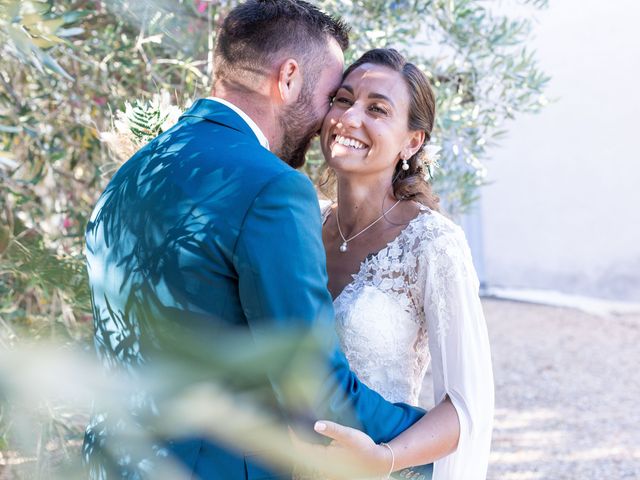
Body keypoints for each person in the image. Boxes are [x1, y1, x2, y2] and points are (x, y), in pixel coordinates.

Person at [82, 2, 432, 479]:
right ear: (288, 78)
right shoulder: (273, 188)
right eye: (332, 96)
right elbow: (315, 393)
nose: (330, 120)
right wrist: (430, 438)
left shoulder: (135, 170)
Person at [310, 48, 495, 479]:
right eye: (343, 99)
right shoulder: (300, 222)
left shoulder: (433, 243)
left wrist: (385, 458)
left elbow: (467, 405)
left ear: (412, 142)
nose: (350, 118)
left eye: (377, 108)